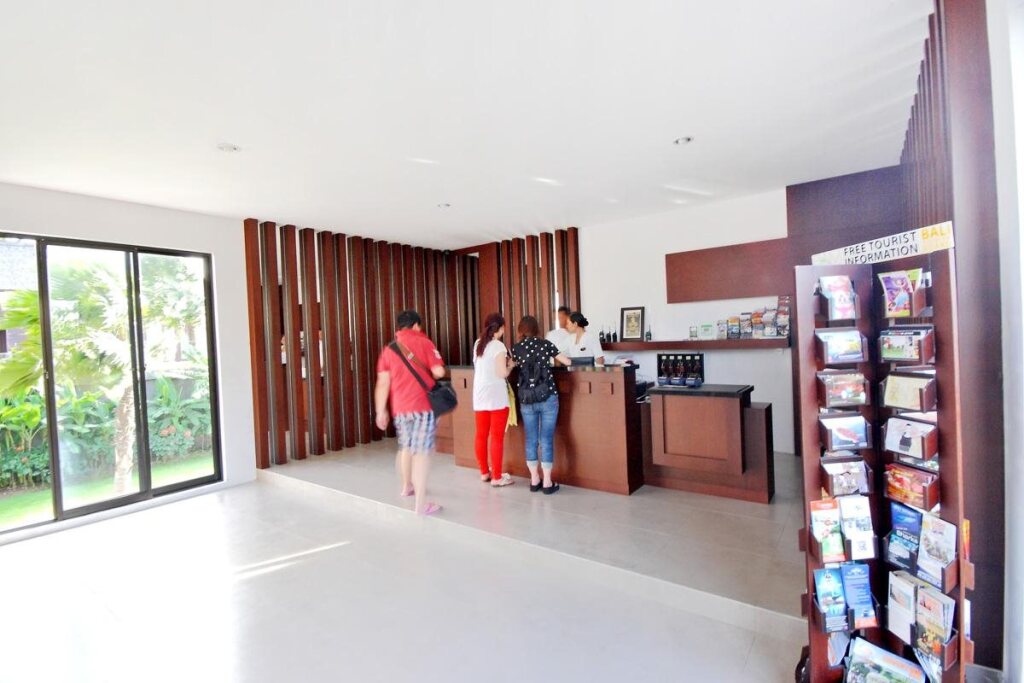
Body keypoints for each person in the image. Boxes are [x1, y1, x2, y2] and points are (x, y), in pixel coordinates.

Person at [374, 310, 446, 515]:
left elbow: (383, 382)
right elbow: (439, 371)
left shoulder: (390, 349)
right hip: (422, 406)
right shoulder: (425, 342)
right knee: (421, 454)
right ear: (415, 325)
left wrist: (380, 411)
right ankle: (421, 505)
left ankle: (406, 486)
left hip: (400, 408)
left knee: (406, 447)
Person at [511, 315, 570, 494]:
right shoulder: (545, 344)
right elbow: (567, 362)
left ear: (521, 330)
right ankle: (547, 482)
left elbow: (510, 366)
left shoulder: (516, 348)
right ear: (537, 328)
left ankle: (534, 479)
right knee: (546, 439)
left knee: (531, 439)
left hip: (527, 399)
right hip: (547, 396)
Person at [472, 313, 515, 487]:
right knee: (496, 437)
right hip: (496, 396)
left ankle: (484, 472)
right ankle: (497, 477)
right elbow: (502, 373)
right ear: (502, 328)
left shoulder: (478, 344)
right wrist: (510, 366)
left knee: (481, 435)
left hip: (480, 395)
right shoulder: (498, 346)